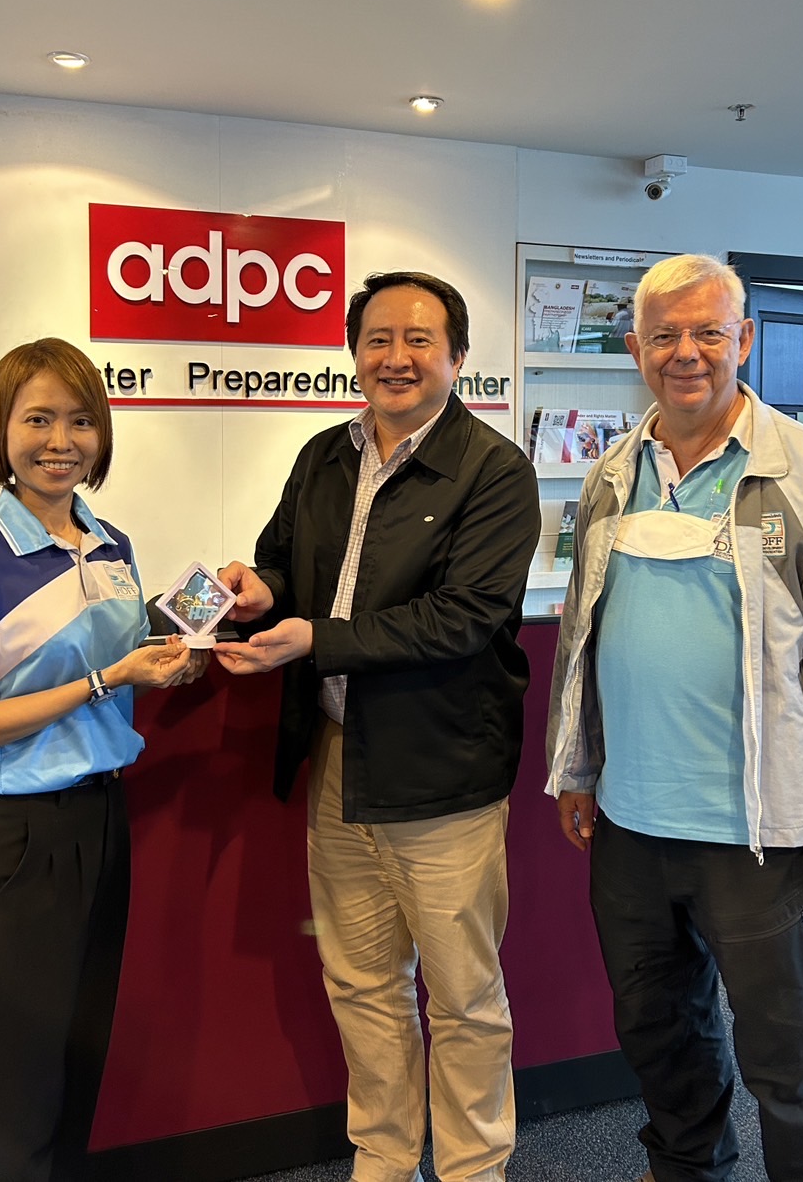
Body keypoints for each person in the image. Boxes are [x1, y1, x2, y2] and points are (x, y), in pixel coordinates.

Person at [546, 254, 803, 1182]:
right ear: (636, 349)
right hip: (632, 823)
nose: (686, 352)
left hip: (761, 834)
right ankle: (688, 1171)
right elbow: (583, 632)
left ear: (745, 338)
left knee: (790, 1057)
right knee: (661, 1037)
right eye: (665, 335)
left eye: (708, 331)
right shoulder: (613, 472)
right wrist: (577, 768)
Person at [216, 271, 540, 1182]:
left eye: (419, 339)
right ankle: (386, 1156)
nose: (397, 357)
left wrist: (316, 638)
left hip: (442, 772)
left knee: (464, 997)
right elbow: (284, 562)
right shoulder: (325, 454)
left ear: (458, 357)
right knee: (362, 983)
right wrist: (261, 588)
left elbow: (462, 618)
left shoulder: (494, 471)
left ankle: (474, 1168)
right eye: (378, 339)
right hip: (338, 764)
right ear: (354, 351)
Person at [0, 338, 194, 1182]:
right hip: (17, 839)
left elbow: (122, 665)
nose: (60, 441)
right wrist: (109, 677)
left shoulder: (111, 544)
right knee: (19, 1086)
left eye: (80, 420)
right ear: (1, 430)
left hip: (102, 822)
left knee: (78, 1065)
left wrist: (171, 659)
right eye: (38, 419)